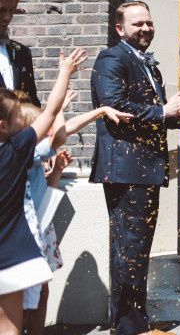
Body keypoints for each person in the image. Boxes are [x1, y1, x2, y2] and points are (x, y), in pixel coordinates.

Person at [90, 1, 180, 335]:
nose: (145, 29)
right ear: (120, 28)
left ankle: (135, 321)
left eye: (149, 23)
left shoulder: (147, 64)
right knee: (129, 249)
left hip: (144, 169)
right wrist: (166, 111)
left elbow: (153, 114)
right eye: (137, 24)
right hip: (125, 169)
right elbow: (114, 106)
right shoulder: (112, 58)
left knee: (138, 248)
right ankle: (130, 327)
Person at [19, 92, 132, 335]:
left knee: (41, 291)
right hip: (25, 234)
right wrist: (58, 107)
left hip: (41, 229)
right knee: (24, 295)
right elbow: (63, 133)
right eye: (43, 127)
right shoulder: (24, 154)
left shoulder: (32, 157)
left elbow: (45, 188)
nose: (49, 131)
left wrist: (58, 171)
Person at [0, 48, 86, 335]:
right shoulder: (15, 151)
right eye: (16, 117)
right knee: (10, 328)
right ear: (3, 127)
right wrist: (65, 71)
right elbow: (49, 111)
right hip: (11, 255)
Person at [0, 0, 40, 106]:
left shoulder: (22, 52)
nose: (7, 17)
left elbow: (32, 102)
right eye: (1, 10)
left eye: (11, 10)